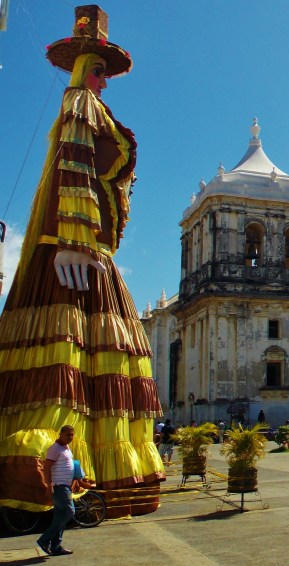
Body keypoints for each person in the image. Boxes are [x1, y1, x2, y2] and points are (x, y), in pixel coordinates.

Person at [0, 6, 164, 516]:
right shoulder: (80, 104)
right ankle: (54, 480)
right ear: (81, 71)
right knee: (77, 351)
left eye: (103, 73)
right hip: (75, 247)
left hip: (86, 249)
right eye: (97, 71)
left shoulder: (87, 106)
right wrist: (74, 239)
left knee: (98, 351)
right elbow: (72, 165)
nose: (103, 82)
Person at [36, 425, 93, 556]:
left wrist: (78, 481)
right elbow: (47, 467)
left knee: (60, 515)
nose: (70, 437)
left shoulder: (66, 448)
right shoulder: (55, 448)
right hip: (58, 486)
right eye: (67, 434)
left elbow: (69, 466)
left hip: (65, 486)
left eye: (72, 435)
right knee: (69, 511)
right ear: (60, 434)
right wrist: (49, 484)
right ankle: (45, 539)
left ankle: (56, 546)